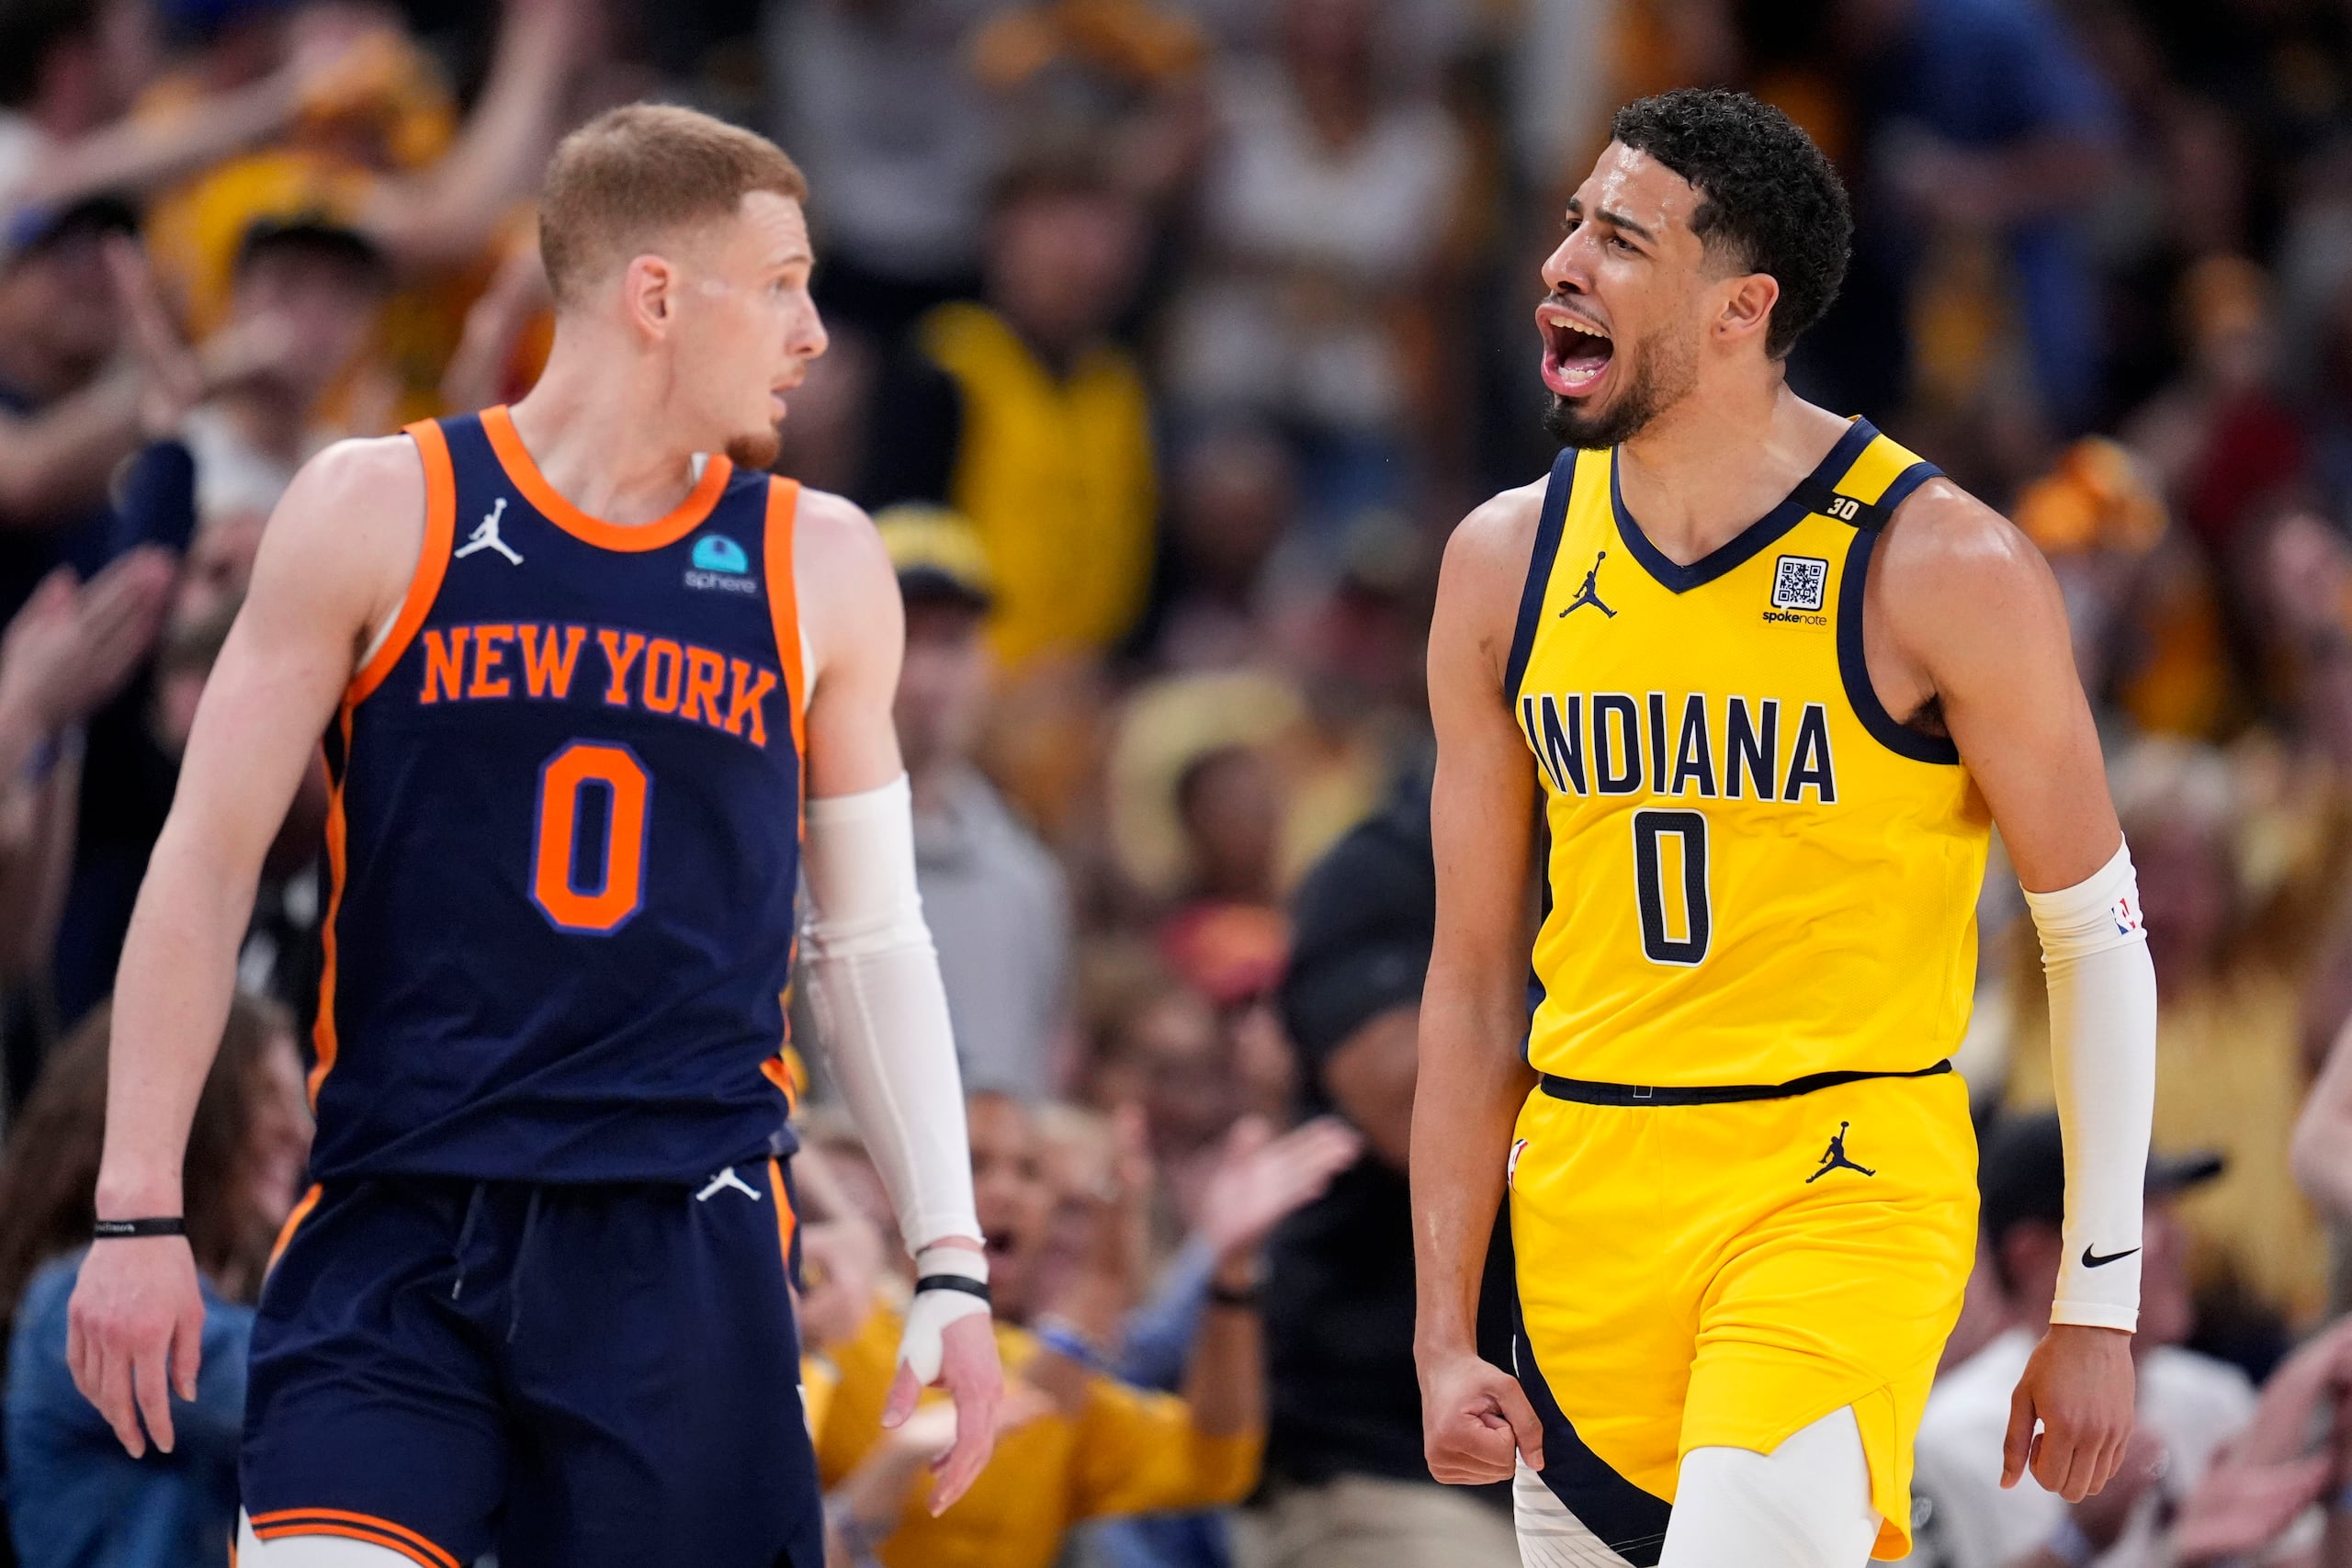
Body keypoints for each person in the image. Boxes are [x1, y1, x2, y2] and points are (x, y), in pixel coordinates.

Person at [62, 103, 1002, 1568]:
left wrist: (950, 1257)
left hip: (677, 1234)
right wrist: (136, 1210)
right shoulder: (380, 504)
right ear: (657, 294)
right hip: (402, 1210)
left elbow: (869, 933)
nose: (815, 332)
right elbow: (204, 856)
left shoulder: (819, 557)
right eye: (782, 284)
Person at [1412, 88, 2157, 1568]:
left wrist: (2098, 1299)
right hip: (1582, 1209)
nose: (1562, 263)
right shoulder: (1505, 561)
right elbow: (1477, 973)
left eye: (1620, 240)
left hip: (1838, 1175)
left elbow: (2097, 936)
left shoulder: (1941, 562)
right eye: (1571, 223)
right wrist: (1444, 1320)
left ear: (1742, 305)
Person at [1246, 765, 1521, 1568]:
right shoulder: (1389, 866)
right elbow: (1412, 1105)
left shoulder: (1661, 847)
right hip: (1384, 1448)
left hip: (1601, 1428)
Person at [2, 994, 311, 1568]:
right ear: (192, 1113)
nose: (300, 1129)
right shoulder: (85, 1305)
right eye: (269, 1097)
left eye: (303, 1100)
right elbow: (301, 1393)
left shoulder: (252, 1295)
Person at [1907, 1112, 2234, 1568]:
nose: (2178, 1239)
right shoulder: (1955, 1438)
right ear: (2034, 1256)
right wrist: (2073, 1544)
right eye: (2138, 1219)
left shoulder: (2214, 1399)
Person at [876, 503, 1071, 1100]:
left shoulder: (1026, 875)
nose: (927, 680)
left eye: (953, 643)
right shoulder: (788, 855)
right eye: (903, 639)